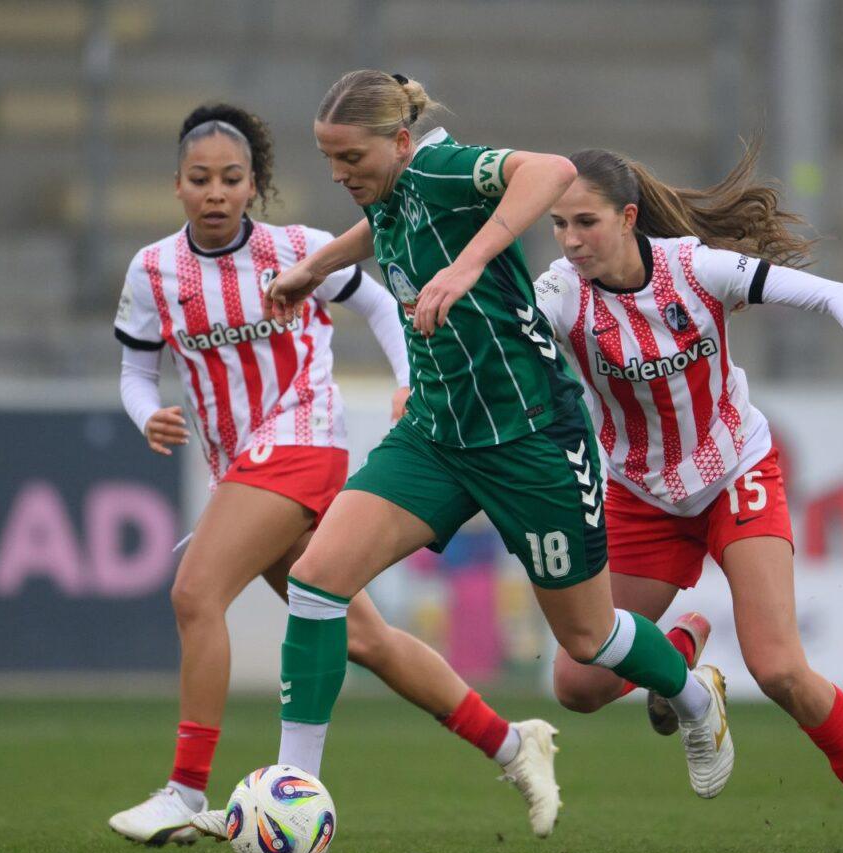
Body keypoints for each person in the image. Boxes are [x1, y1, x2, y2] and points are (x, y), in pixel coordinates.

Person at [253, 70, 735, 810]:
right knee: (318, 584)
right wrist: (315, 268)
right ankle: (293, 789)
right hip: (436, 436)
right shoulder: (387, 191)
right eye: (329, 161)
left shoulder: (443, 170)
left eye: (350, 158)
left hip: (531, 440)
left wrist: (468, 263)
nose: (339, 175)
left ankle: (697, 702)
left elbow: (553, 171)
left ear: (402, 142)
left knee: (590, 641)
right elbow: (380, 227)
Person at [107, 103, 562, 846]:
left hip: (302, 442)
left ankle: (186, 792)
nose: (216, 192)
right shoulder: (155, 269)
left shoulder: (298, 248)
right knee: (364, 638)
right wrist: (142, 412)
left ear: (255, 184)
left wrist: (409, 376)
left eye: (231, 178)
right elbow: (134, 365)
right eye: (200, 180)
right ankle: (516, 746)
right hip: (240, 468)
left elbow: (383, 306)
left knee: (195, 591)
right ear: (178, 186)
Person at [533, 144, 843, 853]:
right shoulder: (561, 294)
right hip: (639, 495)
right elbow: (509, 346)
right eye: (559, 224)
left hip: (734, 474)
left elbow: (830, 292)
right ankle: (681, 660)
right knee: (577, 683)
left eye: (585, 223)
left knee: (779, 668)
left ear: (628, 218)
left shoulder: (694, 268)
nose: (569, 241)